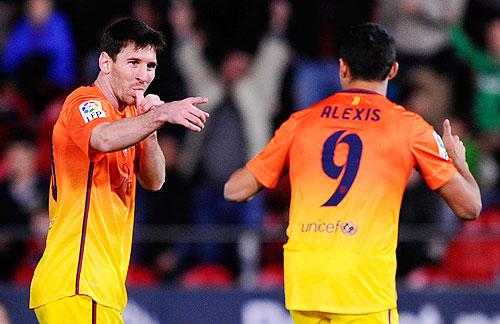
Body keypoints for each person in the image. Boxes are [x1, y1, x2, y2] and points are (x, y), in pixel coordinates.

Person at [224, 23, 481, 323]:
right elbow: (470, 206)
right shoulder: (410, 128)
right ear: (393, 70)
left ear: (343, 68)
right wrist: (459, 162)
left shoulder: (301, 122)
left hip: (308, 286)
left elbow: (235, 190)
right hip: (363, 287)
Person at [29, 17, 209, 323]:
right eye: (133, 62)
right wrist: (160, 115)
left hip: (101, 289)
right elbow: (103, 137)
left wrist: (150, 126)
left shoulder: (129, 119)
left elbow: (154, 181)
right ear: (106, 62)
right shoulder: (84, 102)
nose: (143, 75)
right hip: (79, 282)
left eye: (150, 66)